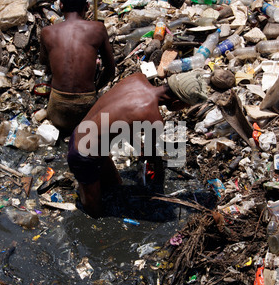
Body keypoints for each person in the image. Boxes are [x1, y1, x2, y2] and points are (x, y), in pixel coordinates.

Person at [67, 71, 208, 218]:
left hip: (80, 134)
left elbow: (121, 114)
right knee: (95, 210)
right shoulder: (154, 119)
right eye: (184, 106)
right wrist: (159, 176)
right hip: (83, 155)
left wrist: (138, 144)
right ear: (177, 103)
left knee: (115, 184)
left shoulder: (136, 78)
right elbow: (150, 155)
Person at [40, 0, 116, 137]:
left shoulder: (47, 32)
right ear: (87, 6)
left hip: (57, 112)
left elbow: (44, 62)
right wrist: (95, 88)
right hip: (85, 111)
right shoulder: (98, 28)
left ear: (61, 6)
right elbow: (110, 70)